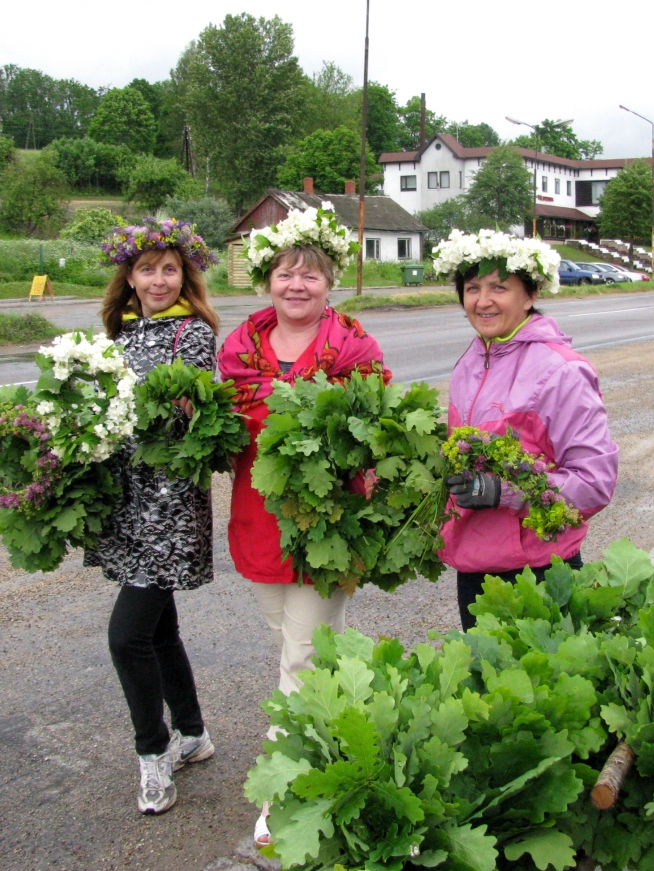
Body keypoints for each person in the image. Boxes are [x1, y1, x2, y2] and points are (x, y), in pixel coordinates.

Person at [216, 204, 388, 847]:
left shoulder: (356, 347)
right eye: (286, 272)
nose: (297, 285)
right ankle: (351, 733)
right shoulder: (240, 348)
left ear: (330, 284)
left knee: (302, 657)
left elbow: (372, 423)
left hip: (328, 525)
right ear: (268, 279)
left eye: (311, 276)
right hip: (260, 519)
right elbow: (230, 418)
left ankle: (286, 792)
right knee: (298, 647)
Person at [87, 218, 220, 814]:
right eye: (148, 269)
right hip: (126, 500)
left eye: (171, 269)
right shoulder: (116, 335)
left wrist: (186, 407)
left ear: (184, 276)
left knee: (127, 636)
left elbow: (189, 413)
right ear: (130, 278)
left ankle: (153, 755)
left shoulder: (189, 335)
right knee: (159, 629)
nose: (160, 280)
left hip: (168, 503)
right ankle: (193, 734)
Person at [433, 230, 619, 630]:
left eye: (499, 287)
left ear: (530, 294)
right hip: (476, 566)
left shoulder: (561, 371)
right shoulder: (472, 359)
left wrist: (504, 491)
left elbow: (595, 482)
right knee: (487, 685)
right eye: (472, 288)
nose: (483, 301)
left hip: (539, 569)